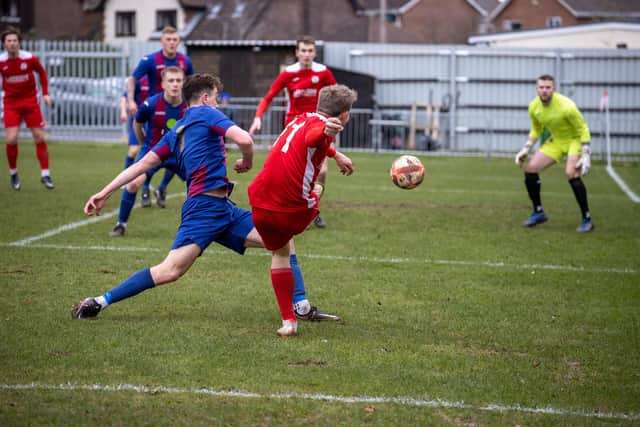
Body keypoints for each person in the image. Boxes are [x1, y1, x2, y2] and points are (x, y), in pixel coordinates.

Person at [72, 73, 334, 337]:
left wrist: (104, 192)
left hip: (223, 209)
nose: (219, 106)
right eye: (217, 99)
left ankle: (299, 306)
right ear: (206, 98)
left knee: (283, 242)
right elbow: (244, 139)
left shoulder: (176, 131)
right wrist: (247, 162)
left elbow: (140, 165)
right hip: (203, 210)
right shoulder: (206, 114)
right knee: (170, 270)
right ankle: (98, 301)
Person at [248, 84, 357, 336]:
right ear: (344, 115)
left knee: (281, 252)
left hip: (259, 198)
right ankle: (296, 310)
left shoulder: (301, 118)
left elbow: (308, 137)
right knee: (318, 189)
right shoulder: (323, 128)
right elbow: (315, 137)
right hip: (291, 206)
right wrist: (327, 135)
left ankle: (289, 321)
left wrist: (335, 154)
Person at [248, 35, 336, 229]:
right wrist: (257, 117)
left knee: (322, 173)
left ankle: (313, 209)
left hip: (318, 128)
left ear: (315, 52)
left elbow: (336, 95)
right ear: (297, 53)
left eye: (310, 51)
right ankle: (286, 208)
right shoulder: (288, 73)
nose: (306, 54)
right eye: (303, 51)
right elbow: (268, 97)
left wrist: (339, 117)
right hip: (294, 128)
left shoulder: (323, 73)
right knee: (289, 174)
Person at [110, 66, 187, 237]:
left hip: (178, 155)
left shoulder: (189, 106)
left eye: (178, 81)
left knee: (202, 184)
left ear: (183, 83)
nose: (175, 84)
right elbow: (137, 123)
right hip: (153, 152)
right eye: (171, 81)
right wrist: (143, 142)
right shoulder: (151, 104)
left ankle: (202, 228)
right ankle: (121, 224)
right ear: (163, 84)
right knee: (132, 183)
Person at [515, 74, 594, 233]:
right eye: (541, 87)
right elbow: (536, 129)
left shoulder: (567, 106)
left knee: (571, 173)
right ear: (537, 89)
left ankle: (587, 218)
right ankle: (538, 212)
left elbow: (582, 128)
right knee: (530, 169)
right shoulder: (534, 107)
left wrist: (585, 153)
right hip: (557, 141)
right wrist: (526, 147)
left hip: (574, 140)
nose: (544, 91)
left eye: (548, 87)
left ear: (554, 89)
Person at [0, 27, 54, 190]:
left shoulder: (30, 58)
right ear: (4, 44)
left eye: (15, 41)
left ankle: (45, 174)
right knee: (11, 139)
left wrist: (45, 93)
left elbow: (42, 74)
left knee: (39, 136)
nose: (12, 44)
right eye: (9, 41)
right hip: (11, 103)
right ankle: (13, 173)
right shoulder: (2, 61)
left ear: (19, 42)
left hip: (30, 101)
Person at [125, 26, 194, 117]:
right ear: (162, 42)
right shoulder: (150, 60)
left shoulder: (185, 60)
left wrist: (193, 102)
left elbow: (192, 83)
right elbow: (132, 80)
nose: (171, 42)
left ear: (179, 42)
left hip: (179, 108)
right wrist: (130, 101)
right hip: (155, 109)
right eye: (168, 39)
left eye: (174, 39)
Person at [119, 75, 149, 170]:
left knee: (149, 154)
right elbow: (125, 97)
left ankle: (145, 183)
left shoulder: (159, 81)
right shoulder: (139, 80)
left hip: (152, 120)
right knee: (134, 150)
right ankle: (126, 181)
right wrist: (123, 111)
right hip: (137, 120)